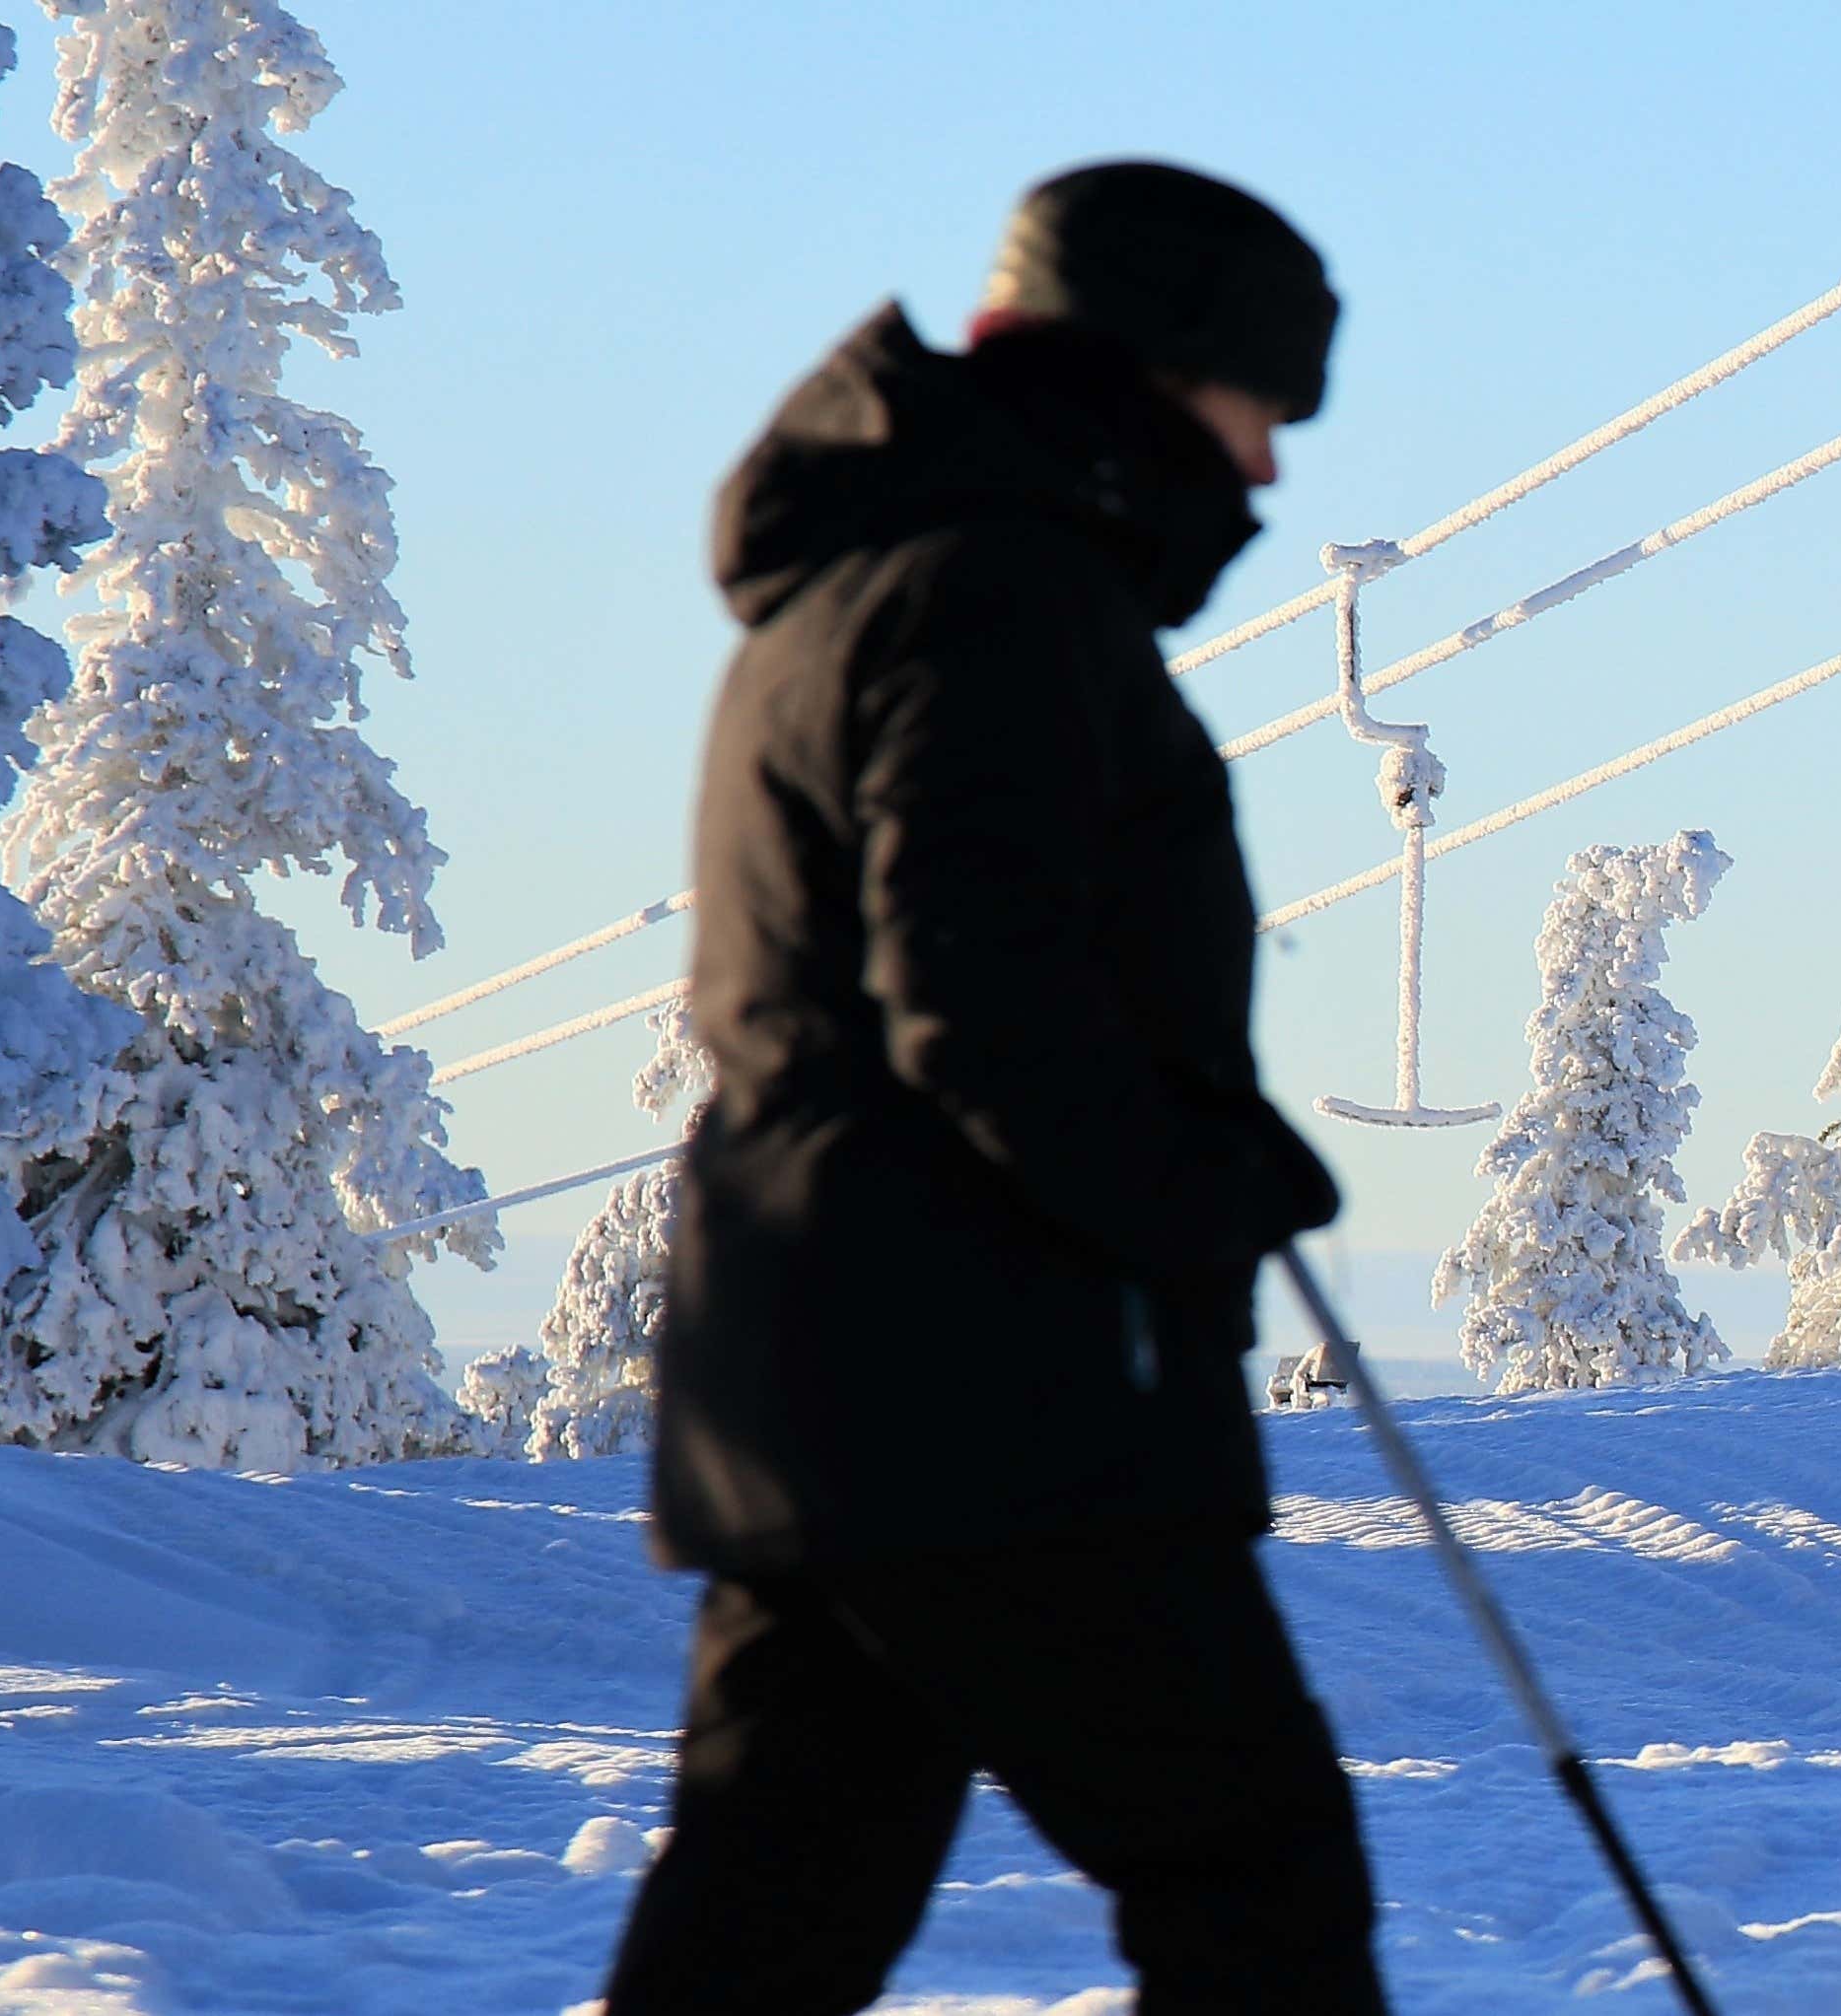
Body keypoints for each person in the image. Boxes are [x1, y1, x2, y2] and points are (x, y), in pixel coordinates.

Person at [608, 162, 1381, 2015]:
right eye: (1257, 404)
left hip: (849, 1385)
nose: (1268, 467)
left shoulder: (880, 580)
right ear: (1149, 369)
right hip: (997, 1396)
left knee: (767, 1917)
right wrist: (1195, 1178)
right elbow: (976, 993)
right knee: (1253, 1877)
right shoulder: (997, 595)